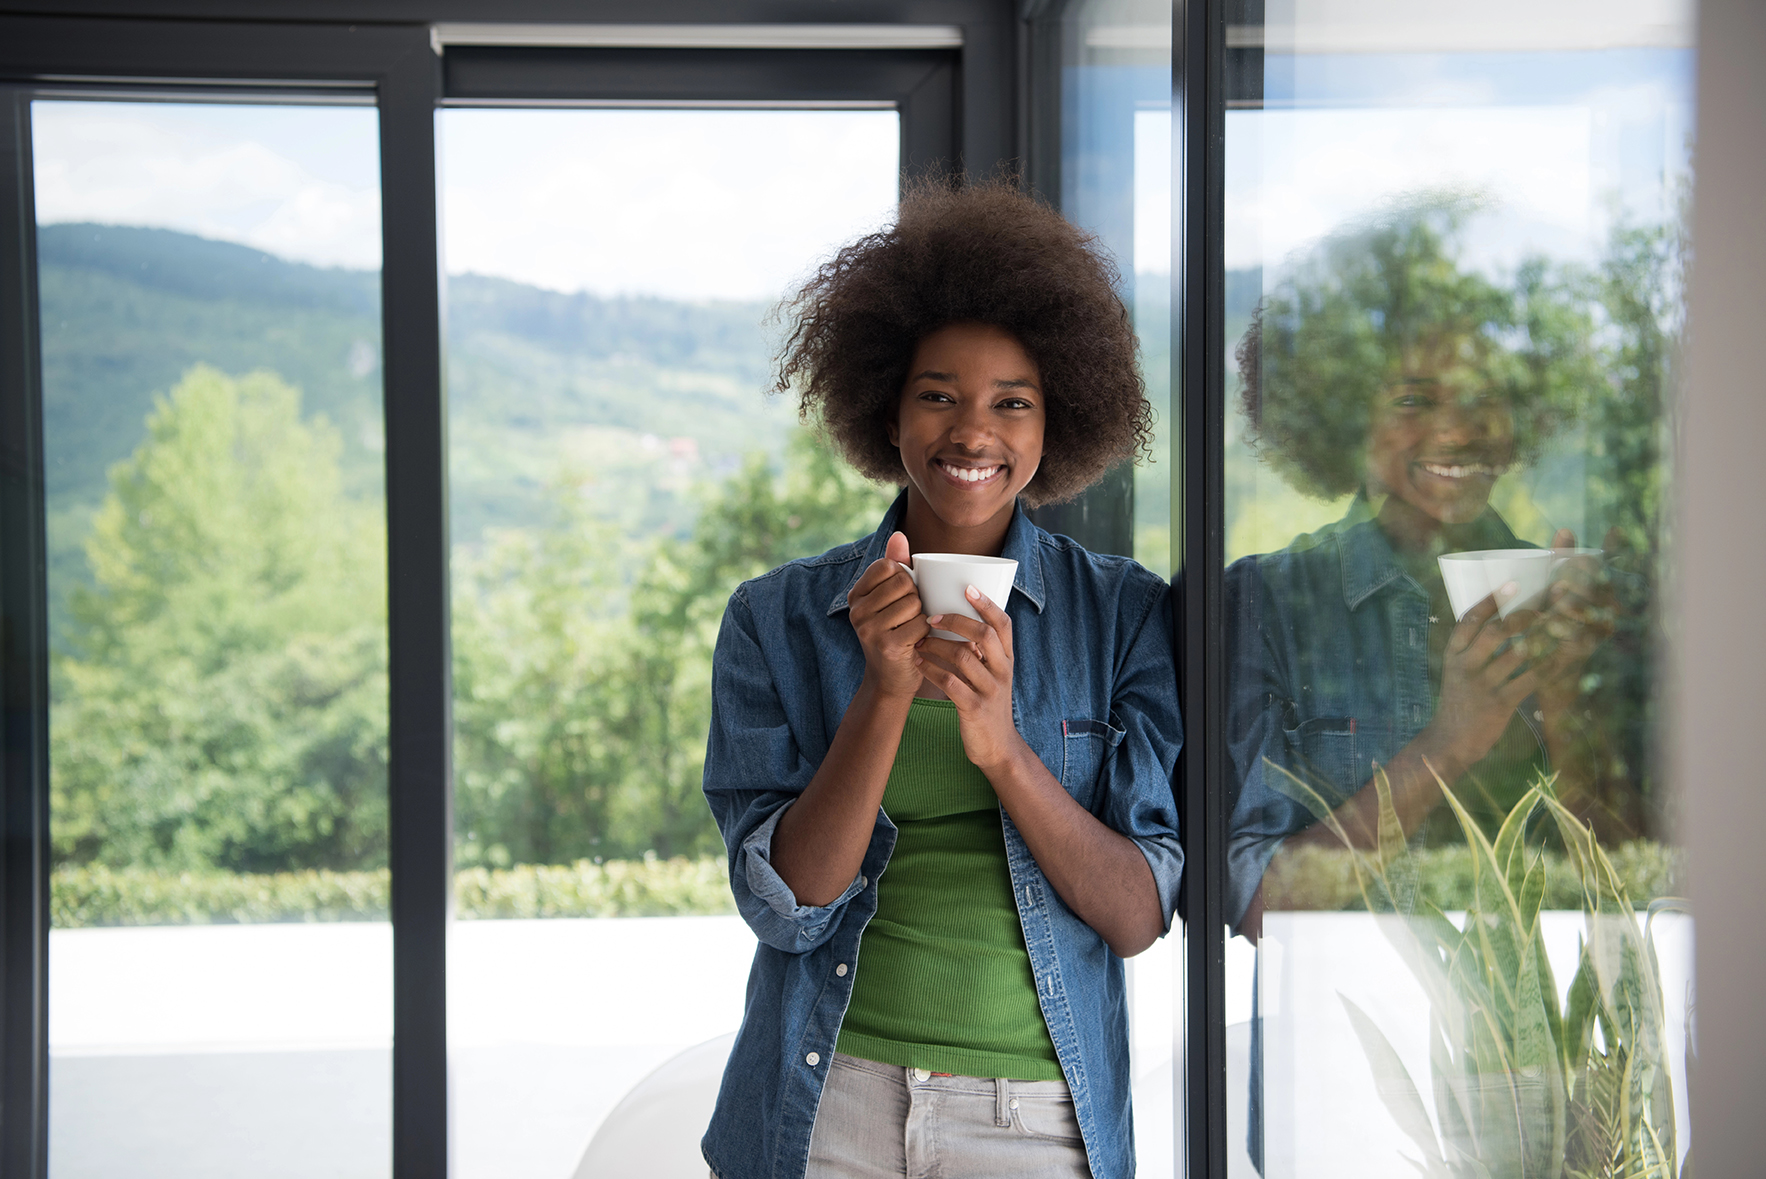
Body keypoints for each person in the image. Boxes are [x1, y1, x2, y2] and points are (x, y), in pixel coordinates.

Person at [698, 180, 1183, 1179]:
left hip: (1033, 1118)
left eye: (1012, 402)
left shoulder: (1122, 615)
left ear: (1055, 425)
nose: (973, 431)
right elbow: (788, 905)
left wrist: (999, 746)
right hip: (823, 1098)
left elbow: (1135, 916)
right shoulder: (777, 620)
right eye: (938, 396)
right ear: (887, 410)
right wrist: (880, 694)